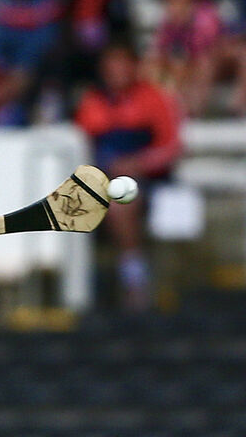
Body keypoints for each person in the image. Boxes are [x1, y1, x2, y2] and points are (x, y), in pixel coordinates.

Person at [75, 39, 182, 311]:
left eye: (123, 64)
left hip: (148, 181)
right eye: (111, 65)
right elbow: (80, 147)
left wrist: (139, 163)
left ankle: (134, 281)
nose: (117, 71)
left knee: (121, 201)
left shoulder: (154, 98)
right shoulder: (92, 103)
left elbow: (172, 147)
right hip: (101, 178)